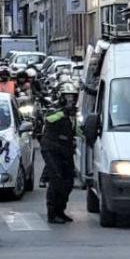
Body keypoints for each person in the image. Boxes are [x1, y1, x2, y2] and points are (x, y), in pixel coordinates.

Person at [42, 81, 78, 224]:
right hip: (52, 148)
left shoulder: (74, 112)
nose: (70, 99)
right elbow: (48, 119)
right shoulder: (54, 109)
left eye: (73, 96)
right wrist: (63, 112)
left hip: (66, 149)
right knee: (56, 179)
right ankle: (52, 213)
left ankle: (61, 210)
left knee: (68, 181)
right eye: (67, 96)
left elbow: (78, 129)